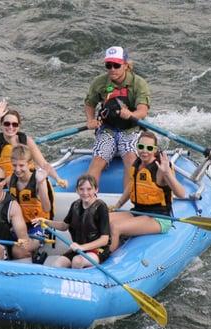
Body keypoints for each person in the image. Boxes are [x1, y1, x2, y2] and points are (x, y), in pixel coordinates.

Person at [84, 46, 151, 188]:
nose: (112, 69)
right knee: (97, 160)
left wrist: (131, 114)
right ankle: (88, 198)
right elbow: (90, 103)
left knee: (130, 159)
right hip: (107, 128)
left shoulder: (138, 83)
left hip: (131, 129)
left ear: (126, 65)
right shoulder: (99, 83)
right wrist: (90, 120)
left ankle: (128, 200)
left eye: (116, 65)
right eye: (108, 65)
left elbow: (143, 111)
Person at [108, 131, 186, 252]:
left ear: (155, 150)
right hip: (138, 212)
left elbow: (181, 194)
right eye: (141, 147)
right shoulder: (137, 164)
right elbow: (132, 186)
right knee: (103, 219)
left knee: (115, 227)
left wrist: (167, 174)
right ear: (136, 147)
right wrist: (117, 205)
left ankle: (105, 260)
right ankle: (109, 248)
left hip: (158, 217)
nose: (144, 151)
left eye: (149, 148)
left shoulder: (160, 168)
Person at [0, 99, 67, 187]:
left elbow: (43, 164)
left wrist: (57, 178)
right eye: (7, 124)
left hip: (27, 182)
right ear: (1, 125)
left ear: (18, 127)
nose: (11, 127)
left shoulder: (27, 141)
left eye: (14, 124)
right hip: (6, 185)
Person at [33, 174, 110, 269]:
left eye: (89, 189)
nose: (85, 192)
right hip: (78, 249)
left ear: (96, 190)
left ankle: (78, 282)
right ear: (77, 190)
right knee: (58, 264)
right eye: (81, 189)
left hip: (97, 250)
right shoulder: (75, 205)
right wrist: (45, 221)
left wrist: (82, 247)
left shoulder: (101, 207)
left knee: (77, 261)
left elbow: (104, 240)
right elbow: (64, 226)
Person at [9, 144, 55, 260]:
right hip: (19, 227)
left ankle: (32, 255)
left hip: (39, 227)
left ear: (30, 164)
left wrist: (40, 183)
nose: (17, 169)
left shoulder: (39, 181)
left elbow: (47, 208)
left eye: (21, 165)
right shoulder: (11, 179)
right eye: (14, 165)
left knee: (17, 250)